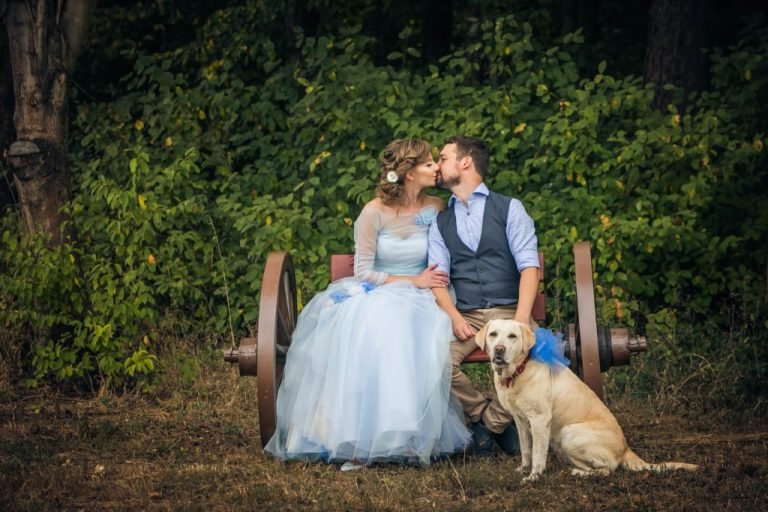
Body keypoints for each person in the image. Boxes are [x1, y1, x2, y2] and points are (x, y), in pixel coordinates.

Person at [264, 138, 472, 470]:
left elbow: (445, 253)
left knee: (410, 327)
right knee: (376, 327)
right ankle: (360, 436)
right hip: (382, 290)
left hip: (425, 295)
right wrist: (410, 281)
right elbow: (363, 271)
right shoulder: (373, 212)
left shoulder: (436, 207)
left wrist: (425, 283)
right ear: (407, 173)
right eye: (429, 162)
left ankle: (404, 434)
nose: (435, 167)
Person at [428, 135, 540, 457]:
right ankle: (484, 417)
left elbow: (529, 267)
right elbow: (438, 279)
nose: (438, 165)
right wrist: (454, 316)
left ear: (466, 162)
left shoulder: (509, 208)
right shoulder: (441, 221)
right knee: (436, 363)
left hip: (509, 309)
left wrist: (520, 321)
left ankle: (488, 428)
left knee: (525, 360)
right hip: (469, 315)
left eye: (444, 157)